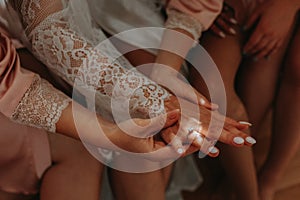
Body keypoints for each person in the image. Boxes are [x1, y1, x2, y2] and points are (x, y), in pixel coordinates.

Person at [2, 0, 257, 199]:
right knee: (141, 123)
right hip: (34, 42)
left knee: (152, 123)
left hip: (126, 21)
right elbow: (50, 38)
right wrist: (154, 100)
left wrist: (164, 74)